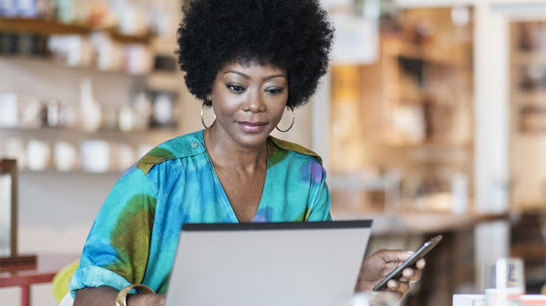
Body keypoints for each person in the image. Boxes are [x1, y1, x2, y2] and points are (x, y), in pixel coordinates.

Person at [70, 0, 425, 305]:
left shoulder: (305, 177)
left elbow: (307, 289)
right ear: (208, 83)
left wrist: (356, 281)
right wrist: (157, 301)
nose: (255, 105)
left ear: (293, 91)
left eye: (273, 89)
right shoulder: (159, 177)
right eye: (237, 86)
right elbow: (87, 296)